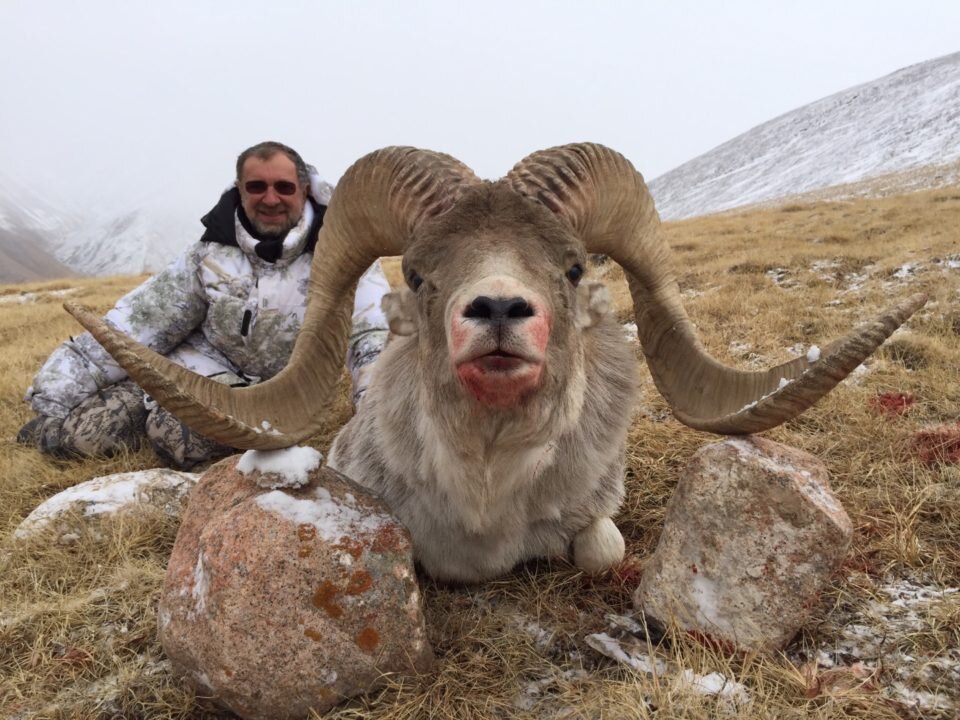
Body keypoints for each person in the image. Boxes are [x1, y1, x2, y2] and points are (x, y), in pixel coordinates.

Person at [17, 141, 389, 470]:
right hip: (188, 373)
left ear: (304, 190)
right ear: (241, 191)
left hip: (267, 398)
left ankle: (157, 430)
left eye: (284, 187)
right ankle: (61, 426)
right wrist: (55, 392)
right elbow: (137, 323)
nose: (271, 199)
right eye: (257, 187)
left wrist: (376, 415)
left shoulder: (347, 258)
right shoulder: (208, 255)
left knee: (177, 436)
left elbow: (373, 335)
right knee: (81, 438)